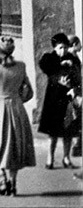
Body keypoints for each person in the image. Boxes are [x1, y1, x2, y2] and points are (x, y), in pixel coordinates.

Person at [0, 36, 36, 196]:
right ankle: (13, 182)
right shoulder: (21, 66)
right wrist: (18, 99)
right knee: (15, 145)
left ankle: (3, 180)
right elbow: (29, 91)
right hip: (16, 107)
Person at [37, 32, 81, 168]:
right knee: (53, 132)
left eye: (66, 48)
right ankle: (50, 158)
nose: (64, 50)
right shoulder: (49, 58)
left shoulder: (73, 58)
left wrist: (74, 87)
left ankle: (66, 158)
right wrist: (61, 63)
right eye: (60, 48)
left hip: (67, 98)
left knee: (68, 131)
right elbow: (45, 66)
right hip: (54, 98)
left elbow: (78, 75)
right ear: (55, 48)